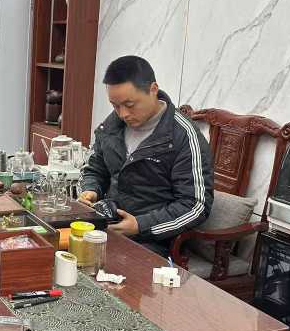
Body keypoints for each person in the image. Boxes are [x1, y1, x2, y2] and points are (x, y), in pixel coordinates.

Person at [79, 55, 214, 256]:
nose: (123, 114)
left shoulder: (183, 136)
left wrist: (140, 226)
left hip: (153, 240)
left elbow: (196, 205)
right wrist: (90, 190)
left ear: (153, 89)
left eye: (130, 104)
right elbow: (95, 169)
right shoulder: (112, 125)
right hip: (106, 225)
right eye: (115, 105)